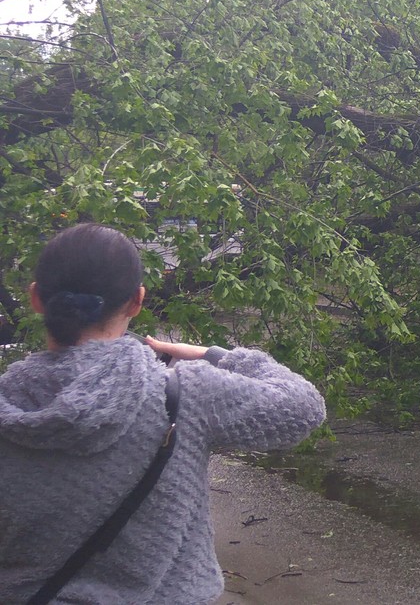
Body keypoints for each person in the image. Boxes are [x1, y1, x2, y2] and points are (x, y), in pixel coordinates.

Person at [0, 223, 326, 604]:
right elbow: (303, 407)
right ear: (137, 301)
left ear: (36, 298)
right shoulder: (188, 393)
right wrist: (213, 355)